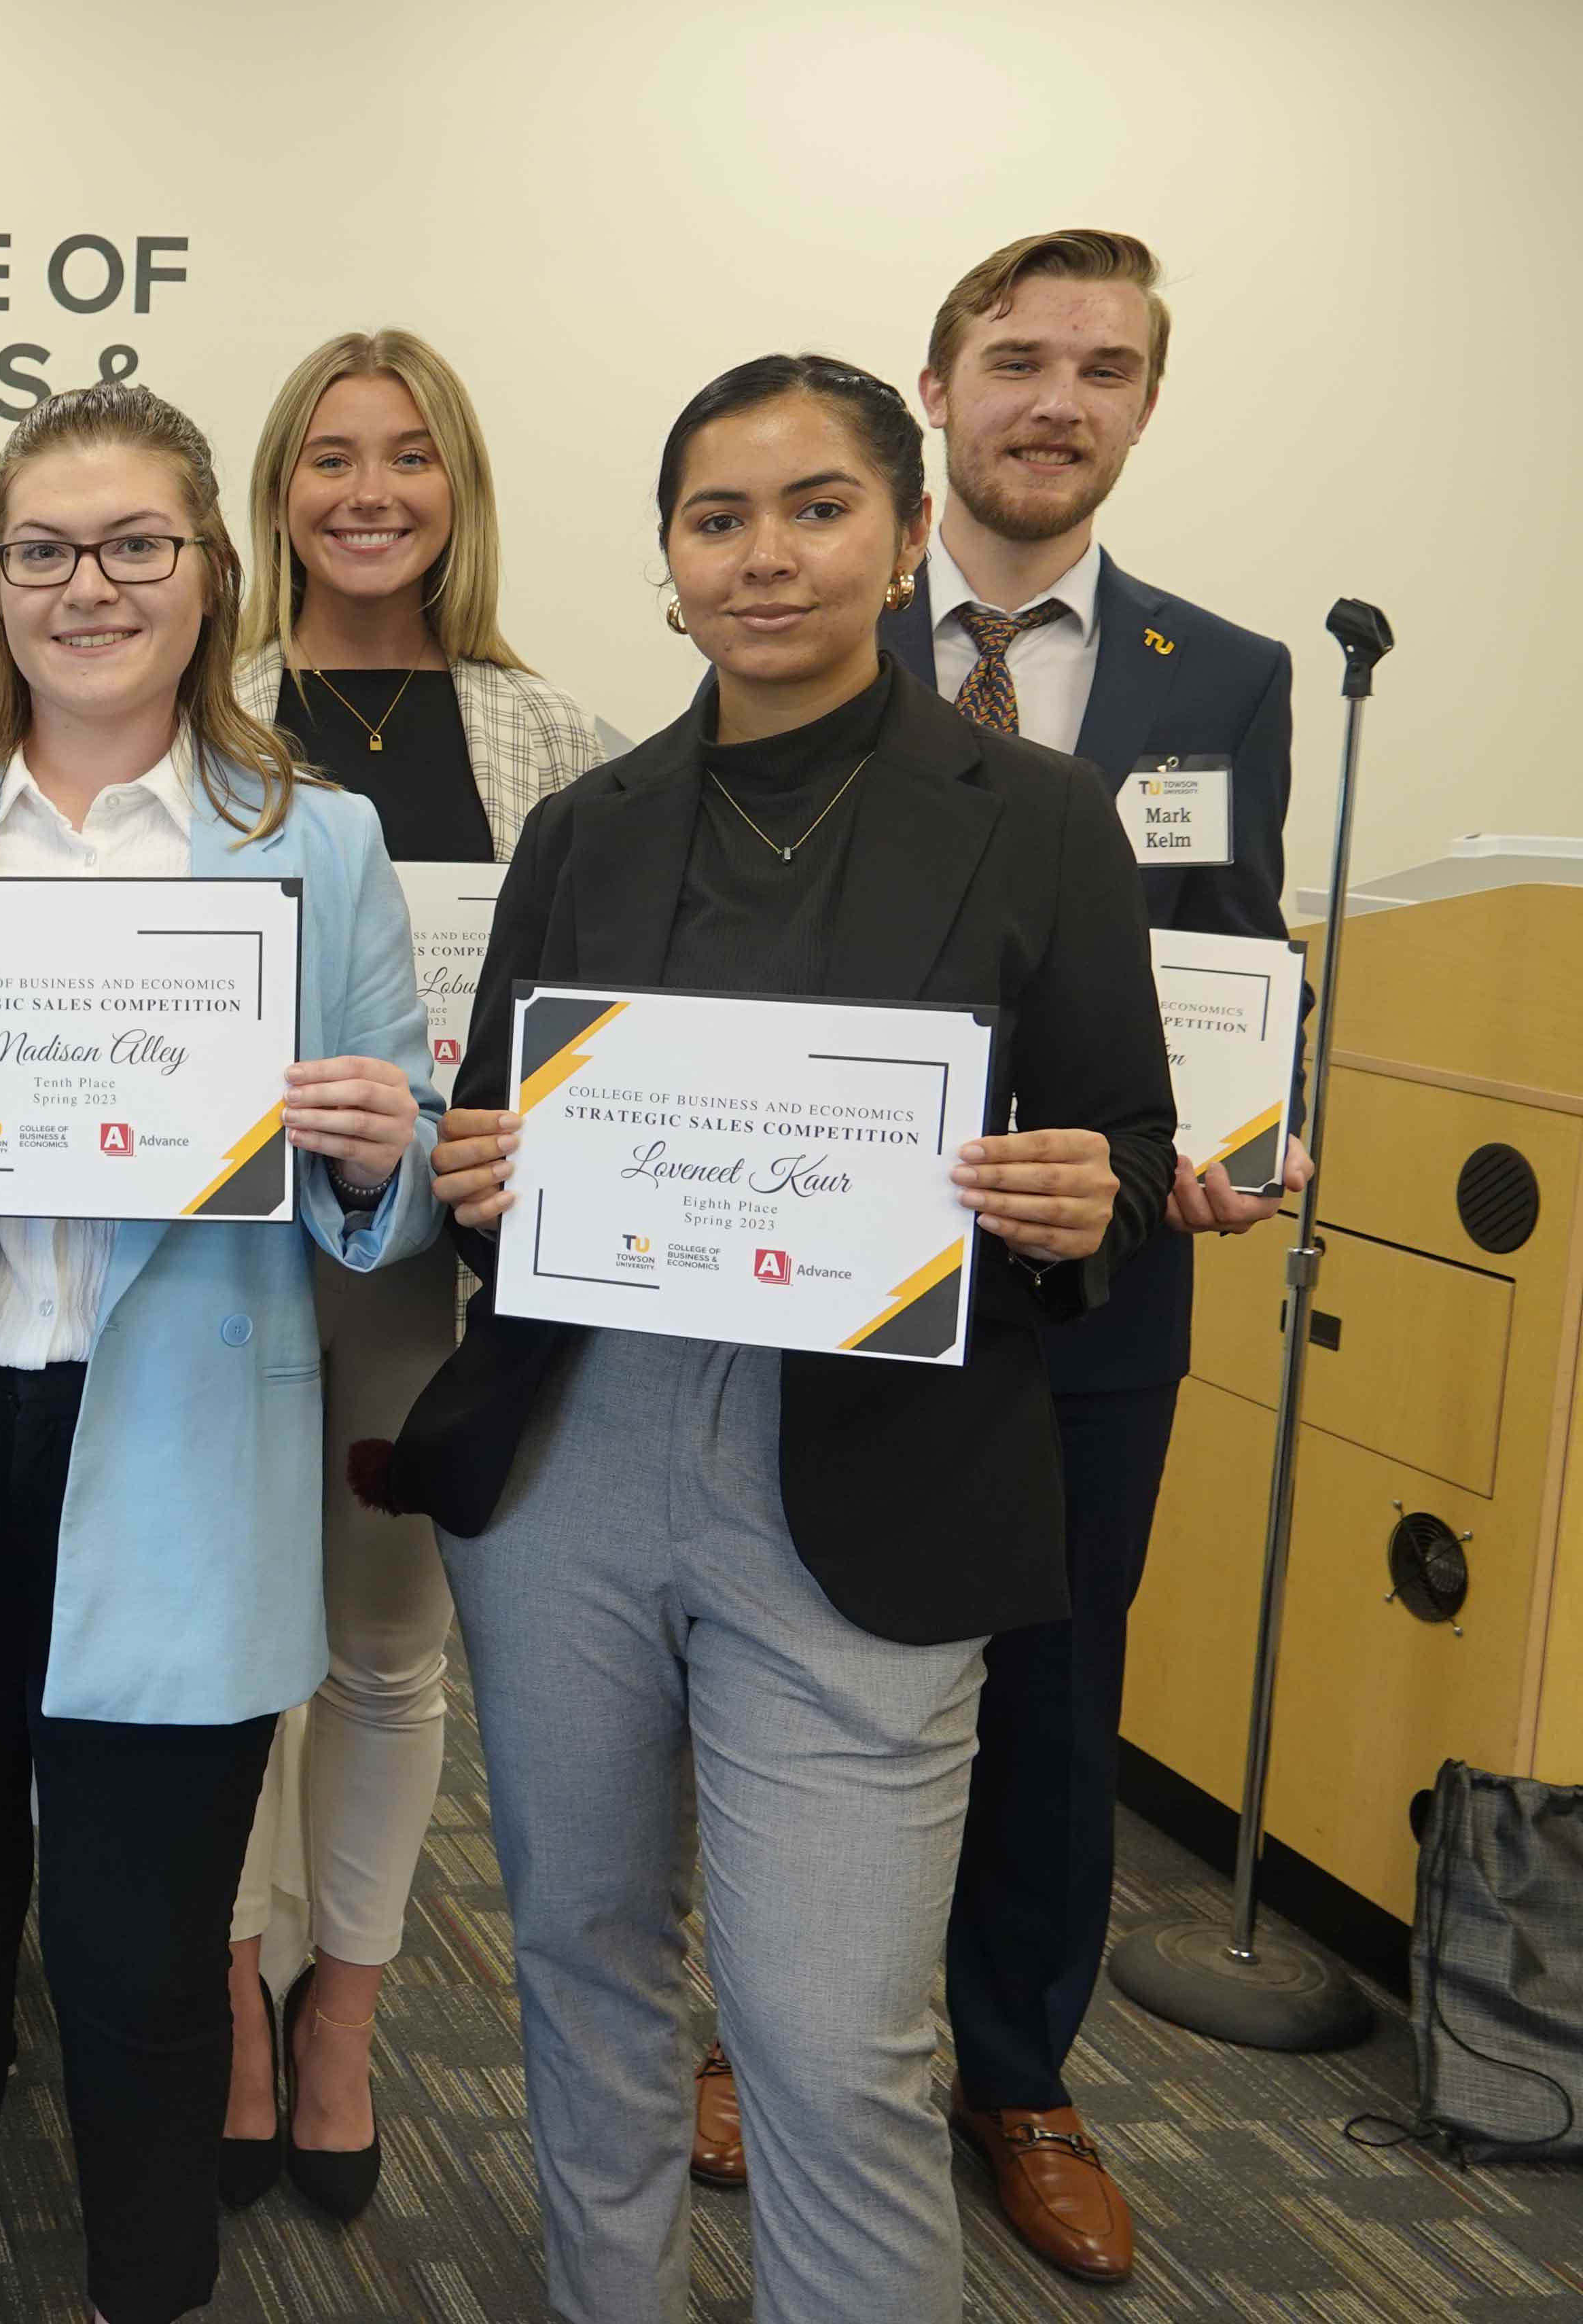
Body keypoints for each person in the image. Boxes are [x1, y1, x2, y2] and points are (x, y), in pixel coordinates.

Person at [380, 353, 1177, 2324]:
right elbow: (500, 1131)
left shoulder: (1047, 819)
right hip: (575, 1459)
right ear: (667, 562)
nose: (765, 557)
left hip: (877, 1480)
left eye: (817, 508)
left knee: (833, 2036)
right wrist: (474, 1163)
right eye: (716, 518)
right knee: (577, 1947)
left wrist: (1099, 1195)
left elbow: (1133, 1144)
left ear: (908, 537)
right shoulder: (587, 821)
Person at [0, 381, 442, 2324]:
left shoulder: (322, 841)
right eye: (43, 549)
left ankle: (147, 2295)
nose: (88, 586)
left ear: (213, 571)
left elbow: (405, 1168)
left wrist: (379, 1153)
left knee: (143, 1958)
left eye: (136, 546)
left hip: (178, 1460)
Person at [739, 227, 1281, 2286]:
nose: (1060, 400)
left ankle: (1018, 2072)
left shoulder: (1214, 676)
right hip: (836, 1266)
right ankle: (766, 2033)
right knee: (793, 1652)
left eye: (1108, 368)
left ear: (1146, 404)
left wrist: (1227, 1137)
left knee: (1057, 1683)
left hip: (1096, 1290)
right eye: (1020, 360)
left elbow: (1226, 956)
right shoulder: (806, 632)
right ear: (941, 386)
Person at [214, 327, 622, 2223]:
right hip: (199, 1259)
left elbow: (609, 1028)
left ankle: (346, 2014)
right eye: (329, 457)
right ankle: (230, 1990)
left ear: (461, 491)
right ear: (275, 488)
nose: (368, 492)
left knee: (384, 1644)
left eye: (410, 458)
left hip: (419, 1263)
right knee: (215, 1645)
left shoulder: (562, 743)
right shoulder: (192, 704)